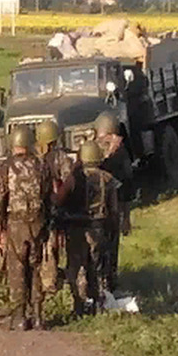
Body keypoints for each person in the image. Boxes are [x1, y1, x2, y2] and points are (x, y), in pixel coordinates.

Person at [0, 126, 52, 330]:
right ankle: (38, 315)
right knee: (36, 267)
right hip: (38, 222)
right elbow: (48, 196)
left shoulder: (6, 167)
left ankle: (19, 317)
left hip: (15, 224)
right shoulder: (41, 165)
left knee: (17, 269)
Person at [64, 141, 120, 317]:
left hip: (76, 226)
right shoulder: (108, 179)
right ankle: (98, 303)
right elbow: (114, 210)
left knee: (75, 266)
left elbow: (63, 200)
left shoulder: (73, 177)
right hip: (98, 227)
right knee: (96, 266)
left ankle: (79, 305)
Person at [92, 111, 133, 294]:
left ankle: (107, 285)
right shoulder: (114, 153)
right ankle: (105, 285)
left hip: (105, 211)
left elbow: (126, 187)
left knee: (104, 250)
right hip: (103, 212)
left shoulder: (118, 153)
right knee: (103, 250)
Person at [35, 120, 76, 296]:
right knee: (52, 247)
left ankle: (40, 284)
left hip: (35, 210)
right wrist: (59, 200)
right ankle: (51, 284)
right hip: (55, 209)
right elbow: (69, 181)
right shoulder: (61, 158)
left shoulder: (32, 157)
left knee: (40, 249)